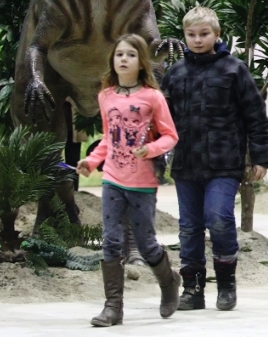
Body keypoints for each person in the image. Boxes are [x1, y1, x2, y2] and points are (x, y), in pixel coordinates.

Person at [160, 6, 268, 311]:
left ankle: (226, 284)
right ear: (184, 36)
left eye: (204, 34)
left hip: (224, 163)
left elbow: (255, 117)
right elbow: (159, 118)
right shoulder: (175, 72)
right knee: (189, 227)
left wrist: (260, 157)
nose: (197, 40)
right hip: (185, 163)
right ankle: (193, 290)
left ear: (217, 35)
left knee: (219, 219)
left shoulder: (234, 69)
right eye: (191, 35)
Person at [77, 34, 180, 327]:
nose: (123, 59)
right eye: (119, 54)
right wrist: (91, 161)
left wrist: (151, 148)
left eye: (131, 55)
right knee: (111, 241)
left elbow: (171, 136)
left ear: (141, 62)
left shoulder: (152, 97)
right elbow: (109, 139)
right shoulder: (106, 95)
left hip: (142, 182)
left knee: (146, 245)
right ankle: (113, 307)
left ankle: (169, 283)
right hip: (112, 179)